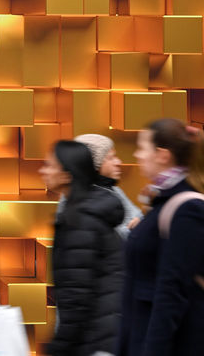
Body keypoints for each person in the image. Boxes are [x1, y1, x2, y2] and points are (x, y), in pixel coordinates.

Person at [119, 118, 204, 356]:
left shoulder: (187, 206)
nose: (137, 155)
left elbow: (171, 290)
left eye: (142, 148)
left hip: (166, 344)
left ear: (162, 155)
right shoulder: (162, 200)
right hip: (142, 336)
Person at [39, 140, 124, 356]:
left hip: (95, 340)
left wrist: (59, 346)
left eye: (49, 165)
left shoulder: (80, 222)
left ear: (67, 175)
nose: (43, 170)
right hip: (103, 334)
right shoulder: (84, 213)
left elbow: (77, 297)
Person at [75, 134, 143, 238]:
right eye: (111, 158)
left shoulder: (114, 189)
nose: (118, 162)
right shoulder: (78, 197)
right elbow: (110, 239)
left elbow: (137, 216)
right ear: (94, 164)